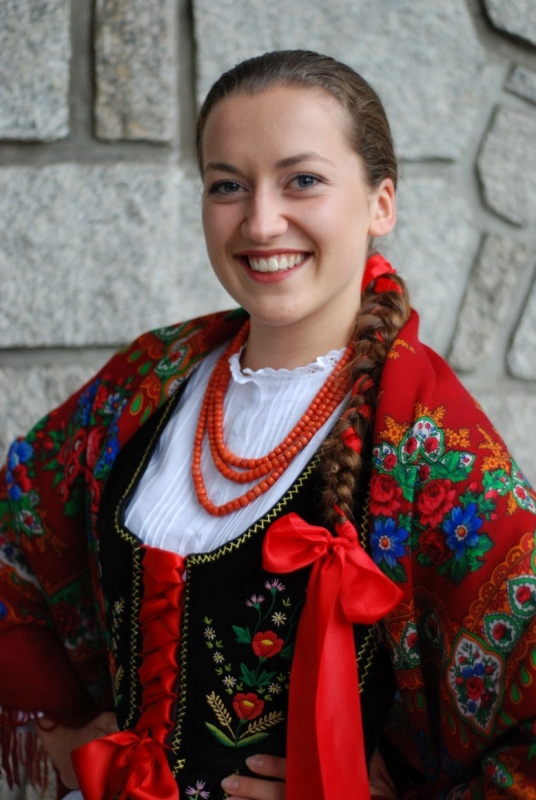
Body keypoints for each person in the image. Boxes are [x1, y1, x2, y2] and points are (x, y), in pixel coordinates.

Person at [1, 49, 535, 800]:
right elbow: (19, 520)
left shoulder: (433, 447)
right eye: (227, 185)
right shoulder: (147, 378)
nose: (259, 220)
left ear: (381, 203)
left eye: (302, 180)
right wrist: (59, 738)